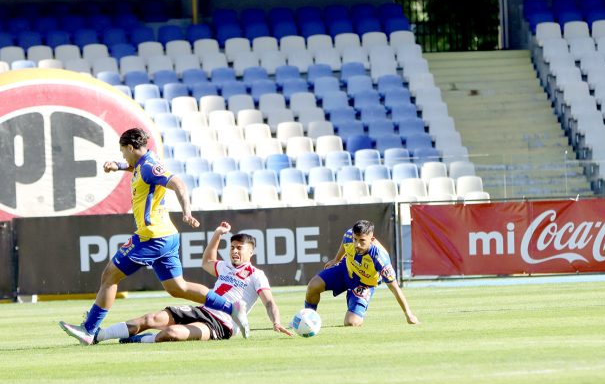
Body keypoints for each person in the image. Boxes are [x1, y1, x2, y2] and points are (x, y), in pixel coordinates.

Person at [59, 128, 249, 340]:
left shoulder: (149, 166)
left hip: (152, 237)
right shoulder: (143, 163)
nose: (123, 156)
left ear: (131, 147)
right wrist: (118, 166)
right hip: (165, 235)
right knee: (178, 287)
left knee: (110, 275)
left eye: (123, 152)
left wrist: (186, 211)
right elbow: (135, 167)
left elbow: (178, 183)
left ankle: (89, 329)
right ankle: (231, 308)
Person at [60, 221, 292, 344]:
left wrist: (276, 322)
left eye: (239, 248)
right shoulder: (225, 267)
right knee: (151, 319)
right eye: (232, 247)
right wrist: (218, 235)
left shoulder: (256, 274)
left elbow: (269, 301)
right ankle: (96, 336)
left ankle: (137, 341)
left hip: (222, 325)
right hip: (201, 310)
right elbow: (207, 261)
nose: (234, 252)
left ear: (251, 251)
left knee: (170, 333)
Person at [304, 219, 419, 327]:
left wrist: (408, 314)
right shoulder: (350, 235)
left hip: (364, 284)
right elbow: (345, 241)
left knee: (351, 322)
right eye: (355, 239)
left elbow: (395, 288)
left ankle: (355, 303)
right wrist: (337, 259)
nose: (357, 245)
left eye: (362, 241)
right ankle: (307, 320)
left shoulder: (380, 258)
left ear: (372, 239)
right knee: (313, 286)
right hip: (345, 269)